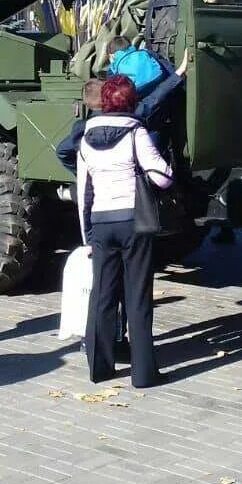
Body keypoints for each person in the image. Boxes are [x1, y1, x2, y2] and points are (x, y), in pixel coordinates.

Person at [77, 76, 173, 388]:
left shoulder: (85, 136)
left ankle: (99, 368)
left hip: (101, 223)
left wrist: (86, 235)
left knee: (102, 295)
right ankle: (143, 373)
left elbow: (83, 192)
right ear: (130, 101)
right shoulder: (136, 132)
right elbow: (160, 176)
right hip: (133, 222)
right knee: (137, 296)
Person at [57, 52, 189, 176]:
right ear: (107, 94)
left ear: (88, 104)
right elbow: (156, 97)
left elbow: (62, 152)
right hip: (133, 183)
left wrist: (86, 176)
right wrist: (179, 72)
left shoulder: (81, 131)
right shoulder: (130, 115)